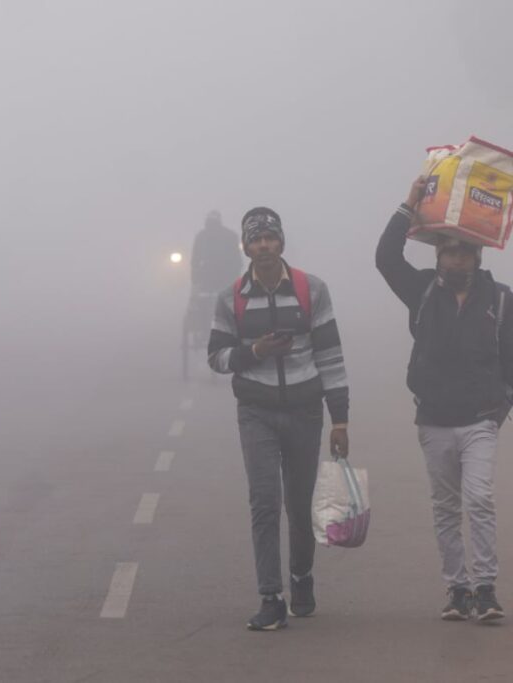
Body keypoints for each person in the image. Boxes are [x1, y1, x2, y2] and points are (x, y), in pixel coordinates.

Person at [376, 177, 511, 622]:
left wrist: (499, 410)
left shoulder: (502, 300)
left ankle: (486, 588)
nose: (457, 258)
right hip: (433, 419)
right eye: (450, 251)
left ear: (477, 256)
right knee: (446, 507)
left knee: (479, 498)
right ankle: (457, 589)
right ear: (439, 256)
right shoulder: (422, 290)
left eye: (464, 252)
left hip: (479, 422)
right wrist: (407, 204)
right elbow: (384, 258)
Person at [208, 207, 350, 631]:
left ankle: (302, 579)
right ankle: (270, 597)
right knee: (264, 503)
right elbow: (216, 357)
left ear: (281, 243)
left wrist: (339, 420)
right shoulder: (230, 298)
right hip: (256, 413)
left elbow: (331, 356)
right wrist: (254, 353)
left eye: (270, 238)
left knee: (299, 504)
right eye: (256, 240)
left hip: (305, 412)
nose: (264, 246)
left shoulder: (312, 290)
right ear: (246, 248)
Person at [191, 210, 243, 294]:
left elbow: (236, 258)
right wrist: (195, 278)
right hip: (208, 276)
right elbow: (195, 259)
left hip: (224, 275)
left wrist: (235, 275)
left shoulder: (230, 236)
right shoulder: (201, 236)